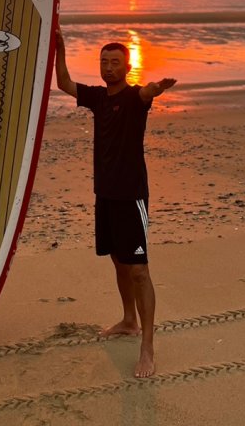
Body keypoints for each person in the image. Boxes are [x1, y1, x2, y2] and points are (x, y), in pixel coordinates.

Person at [54, 29, 176, 378]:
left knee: (139, 270)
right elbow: (64, 83)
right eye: (104, 62)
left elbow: (147, 92)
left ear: (127, 65)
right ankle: (128, 320)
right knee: (119, 263)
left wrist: (157, 87)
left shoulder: (136, 97)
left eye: (115, 63)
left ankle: (148, 348)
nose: (108, 68)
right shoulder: (98, 98)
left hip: (131, 195)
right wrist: (59, 49)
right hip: (105, 194)